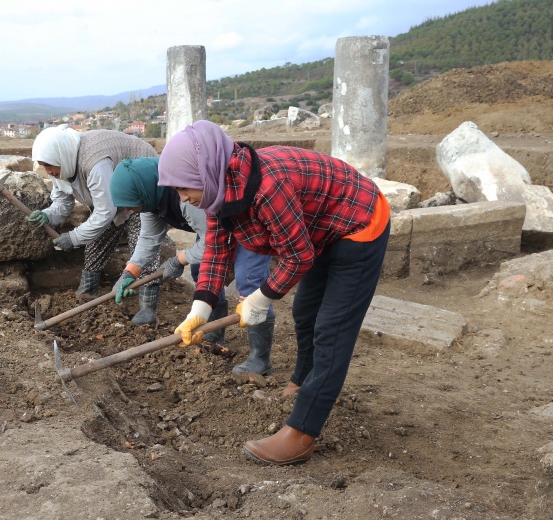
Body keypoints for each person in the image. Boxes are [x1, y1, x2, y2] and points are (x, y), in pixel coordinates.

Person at [157, 120, 391, 466]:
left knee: (332, 328)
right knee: (306, 311)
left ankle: (301, 433)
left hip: (359, 223)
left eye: (184, 189)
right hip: (320, 229)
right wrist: (200, 308)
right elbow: (218, 252)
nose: (184, 199)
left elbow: (297, 256)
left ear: (204, 172)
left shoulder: (267, 186)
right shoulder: (220, 190)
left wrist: (260, 298)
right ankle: (302, 381)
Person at [109, 156, 276, 373]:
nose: (130, 210)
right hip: (216, 229)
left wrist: (179, 260)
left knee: (249, 282)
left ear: (144, 191)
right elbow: (149, 239)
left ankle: (260, 360)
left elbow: (210, 241)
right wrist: (130, 271)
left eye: (131, 204)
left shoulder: (185, 197)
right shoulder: (152, 202)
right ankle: (214, 334)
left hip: (246, 225)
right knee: (200, 272)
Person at [29, 125, 160, 324]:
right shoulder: (63, 163)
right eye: (44, 166)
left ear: (60, 157)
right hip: (114, 191)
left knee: (142, 242)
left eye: (50, 166)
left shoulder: (94, 162)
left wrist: (72, 238)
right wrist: (47, 215)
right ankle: (88, 290)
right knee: (96, 239)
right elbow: (63, 202)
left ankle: (148, 308)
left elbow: (105, 211)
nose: (49, 172)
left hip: (142, 186)